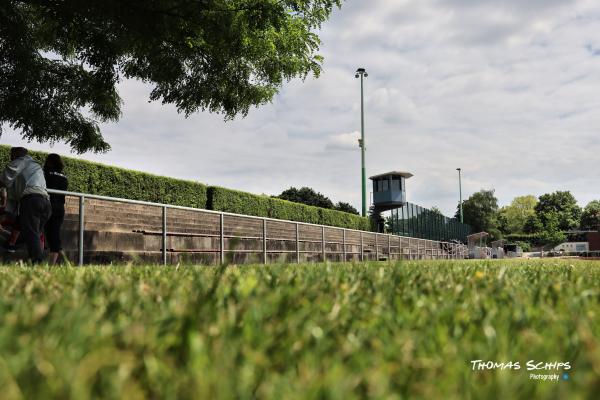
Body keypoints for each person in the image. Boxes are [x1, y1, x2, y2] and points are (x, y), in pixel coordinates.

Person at [0, 147, 51, 263]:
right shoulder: (34, 167)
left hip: (32, 201)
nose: (11, 158)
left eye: (12, 155)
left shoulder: (23, 160)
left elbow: (4, 179)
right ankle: (17, 248)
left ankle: (37, 262)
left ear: (15, 155)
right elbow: (13, 197)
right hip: (45, 203)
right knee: (34, 233)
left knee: (31, 234)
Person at [43, 154, 68, 264]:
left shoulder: (46, 173)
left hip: (47, 204)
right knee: (54, 233)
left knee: (47, 233)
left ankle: (49, 264)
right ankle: (57, 261)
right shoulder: (64, 176)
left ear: (50, 162)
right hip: (59, 207)